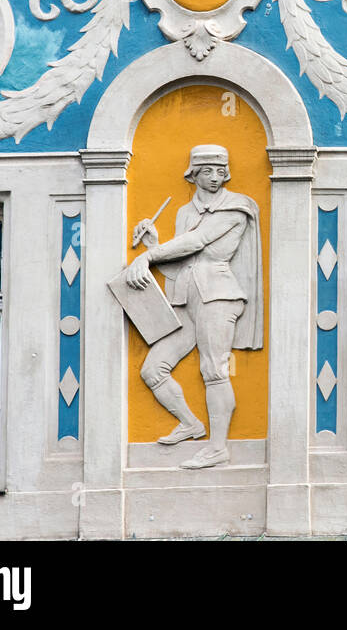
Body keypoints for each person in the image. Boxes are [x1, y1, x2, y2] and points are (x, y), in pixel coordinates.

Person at [123, 144, 263, 469]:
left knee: (213, 370)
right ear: (194, 174)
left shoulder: (236, 207)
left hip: (218, 294)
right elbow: (179, 265)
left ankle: (218, 448)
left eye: (220, 171)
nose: (215, 178)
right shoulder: (185, 212)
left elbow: (197, 242)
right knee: (152, 369)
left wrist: (147, 257)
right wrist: (154, 244)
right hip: (187, 298)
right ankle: (190, 424)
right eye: (207, 171)